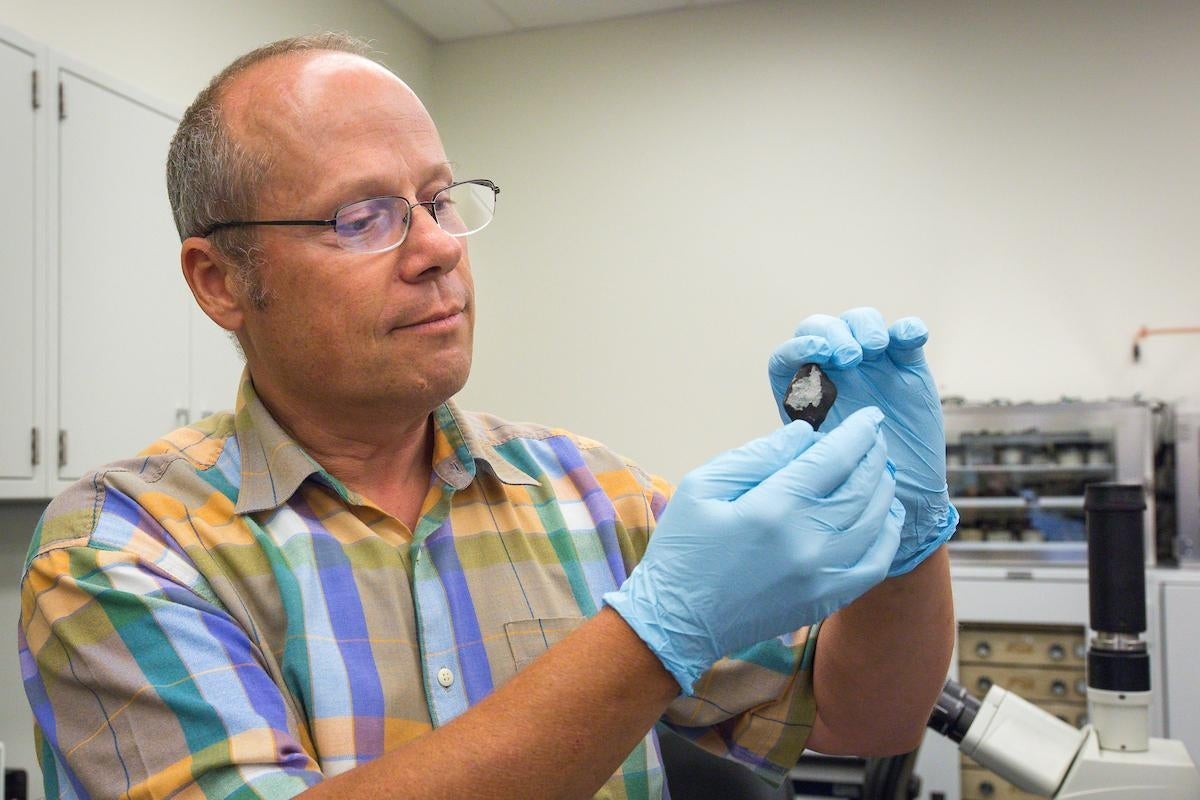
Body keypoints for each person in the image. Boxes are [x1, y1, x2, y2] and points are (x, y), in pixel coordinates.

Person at [19, 33, 956, 800]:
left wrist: (907, 539)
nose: (436, 248)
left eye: (437, 200)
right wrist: (652, 635)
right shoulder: (119, 551)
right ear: (220, 282)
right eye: (362, 218)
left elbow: (862, 716)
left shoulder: (593, 492)